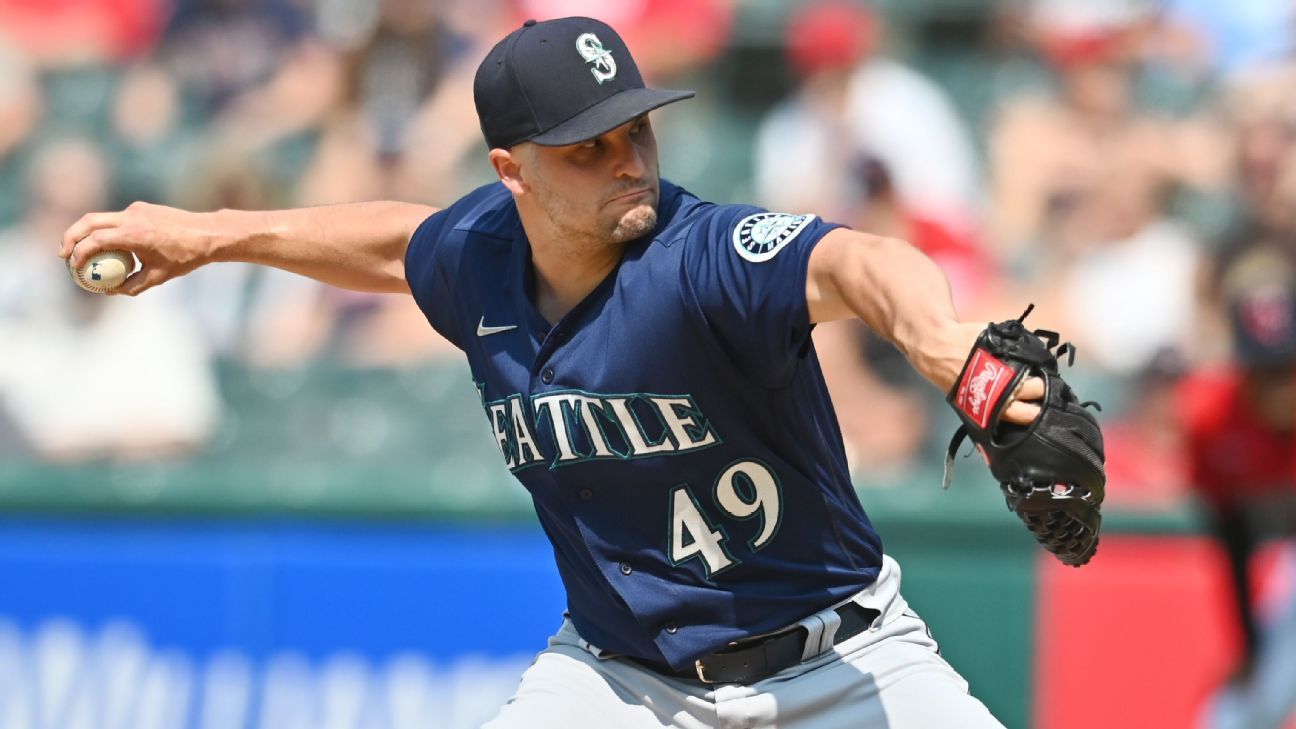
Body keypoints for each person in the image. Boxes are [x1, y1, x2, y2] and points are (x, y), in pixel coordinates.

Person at [59, 17, 1049, 727]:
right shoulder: (476, 256)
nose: (629, 162)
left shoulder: (703, 256)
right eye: (590, 147)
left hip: (839, 660)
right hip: (627, 681)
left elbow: (855, 263)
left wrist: (938, 341)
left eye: (638, 131)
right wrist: (209, 234)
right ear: (511, 171)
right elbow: (392, 241)